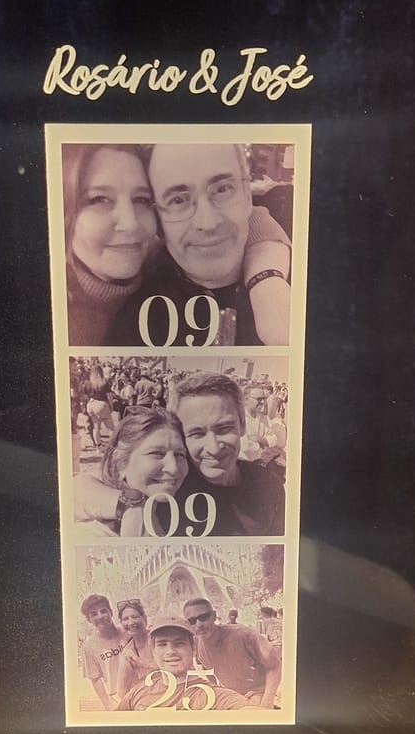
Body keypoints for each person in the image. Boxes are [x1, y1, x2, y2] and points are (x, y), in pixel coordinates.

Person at [110, 143, 292, 347]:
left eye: (222, 189)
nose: (208, 223)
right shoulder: (132, 318)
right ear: (158, 220)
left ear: (247, 197)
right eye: (178, 200)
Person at [63, 143, 159, 345]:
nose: (131, 224)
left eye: (141, 200)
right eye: (100, 199)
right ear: (64, 213)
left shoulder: (170, 275)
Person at [170, 372, 285, 535]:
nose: (214, 448)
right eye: (197, 433)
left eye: (224, 429)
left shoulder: (269, 486)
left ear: (242, 425)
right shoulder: (169, 497)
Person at [73, 406, 188, 535]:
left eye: (180, 454)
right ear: (120, 463)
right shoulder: (99, 534)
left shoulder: (163, 503)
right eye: (156, 453)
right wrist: (129, 504)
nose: (174, 468)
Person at [117, 616, 250, 711]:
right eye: (162, 644)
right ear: (154, 651)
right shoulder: (138, 693)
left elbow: (250, 713)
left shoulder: (213, 696)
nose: (170, 651)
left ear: (193, 649)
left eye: (179, 644)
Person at [182, 597, 281, 708]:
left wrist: (267, 702)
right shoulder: (197, 644)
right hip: (233, 698)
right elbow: (207, 669)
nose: (199, 624)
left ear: (214, 616)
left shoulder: (244, 635)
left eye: (204, 617)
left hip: (257, 694)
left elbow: (275, 665)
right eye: (192, 621)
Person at [80, 594, 126, 709]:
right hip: (118, 697)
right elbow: (95, 678)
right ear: (89, 620)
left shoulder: (127, 632)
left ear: (111, 612)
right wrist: (107, 705)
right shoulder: (89, 647)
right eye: (94, 614)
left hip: (140, 689)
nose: (100, 616)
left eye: (103, 611)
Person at [116, 598, 155, 696]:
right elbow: (122, 691)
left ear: (144, 618)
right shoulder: (127, 653)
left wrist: (139, 662)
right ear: (121, 623)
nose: (131, 622)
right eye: (125, 619)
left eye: (135, 617)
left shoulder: (158, 639)